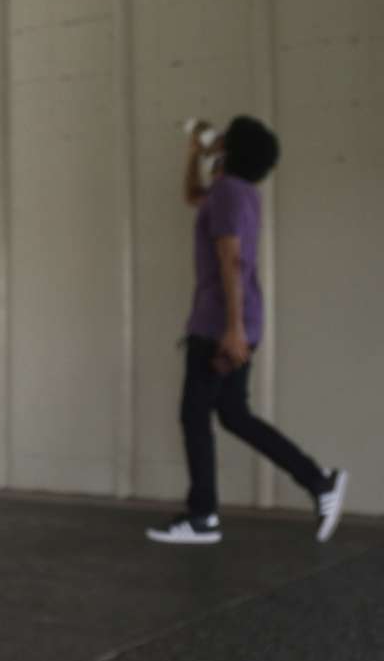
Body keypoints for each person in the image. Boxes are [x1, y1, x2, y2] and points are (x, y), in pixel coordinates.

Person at [146, 116, 348, 545]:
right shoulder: (239, 193)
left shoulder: (227, 193)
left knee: (195, 413)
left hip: (221, 323)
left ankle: (203, 517)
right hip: (231, 320)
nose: (217, 142)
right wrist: (192, 157)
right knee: (233, 413)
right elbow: (190, 195)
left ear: (233, 150)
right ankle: (319, 480)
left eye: (225, 140)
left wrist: (233, 329)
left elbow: (231, 259)